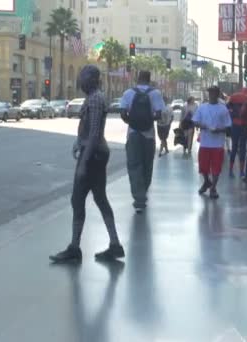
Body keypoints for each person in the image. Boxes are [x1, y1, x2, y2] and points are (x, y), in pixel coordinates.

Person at [49, 65, 124, 263]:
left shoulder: (96, 99)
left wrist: (84, 163)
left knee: (78, 199)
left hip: (94, 155)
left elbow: (94, 134)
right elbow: (87, 128)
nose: (80, 81)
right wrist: (78, 142)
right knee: (99, 198)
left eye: (83, 77)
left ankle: (75, 247)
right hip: (94, 153)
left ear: (92, 79)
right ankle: (114, 244)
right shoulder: (92, 98)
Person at [120, 71, 165, 213]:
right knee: (147, 165)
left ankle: (138, 199)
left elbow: (122, 113)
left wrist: (132, 122)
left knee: (134, 165)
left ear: (138, 79)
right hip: (149, 135)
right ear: (149, 79)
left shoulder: (128, 93)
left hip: (133, 134)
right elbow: (159, 114)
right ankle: (143, 192)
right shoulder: (155, 93)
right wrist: (147, 121)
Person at [193, 86, 232, 199]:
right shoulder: (202, 107)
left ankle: (213, 188)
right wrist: (203, 126)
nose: (212, 95)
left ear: (218, 94)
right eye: (210, 93)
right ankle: (206, 181)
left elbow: (228, 126)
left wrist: (219, 130)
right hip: (205, 142)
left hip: (217, 144)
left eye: (214, 93)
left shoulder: (223, 109)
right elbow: (195, 121)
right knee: (203, 167)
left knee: (216, 168)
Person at [226, 88, 247, 178]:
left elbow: (227, 108)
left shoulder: (233, 97)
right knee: (243, 148)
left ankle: (231, 170)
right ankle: (241, 171)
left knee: (234, 147)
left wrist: (231, 115)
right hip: (244, 126)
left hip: (234, 125)